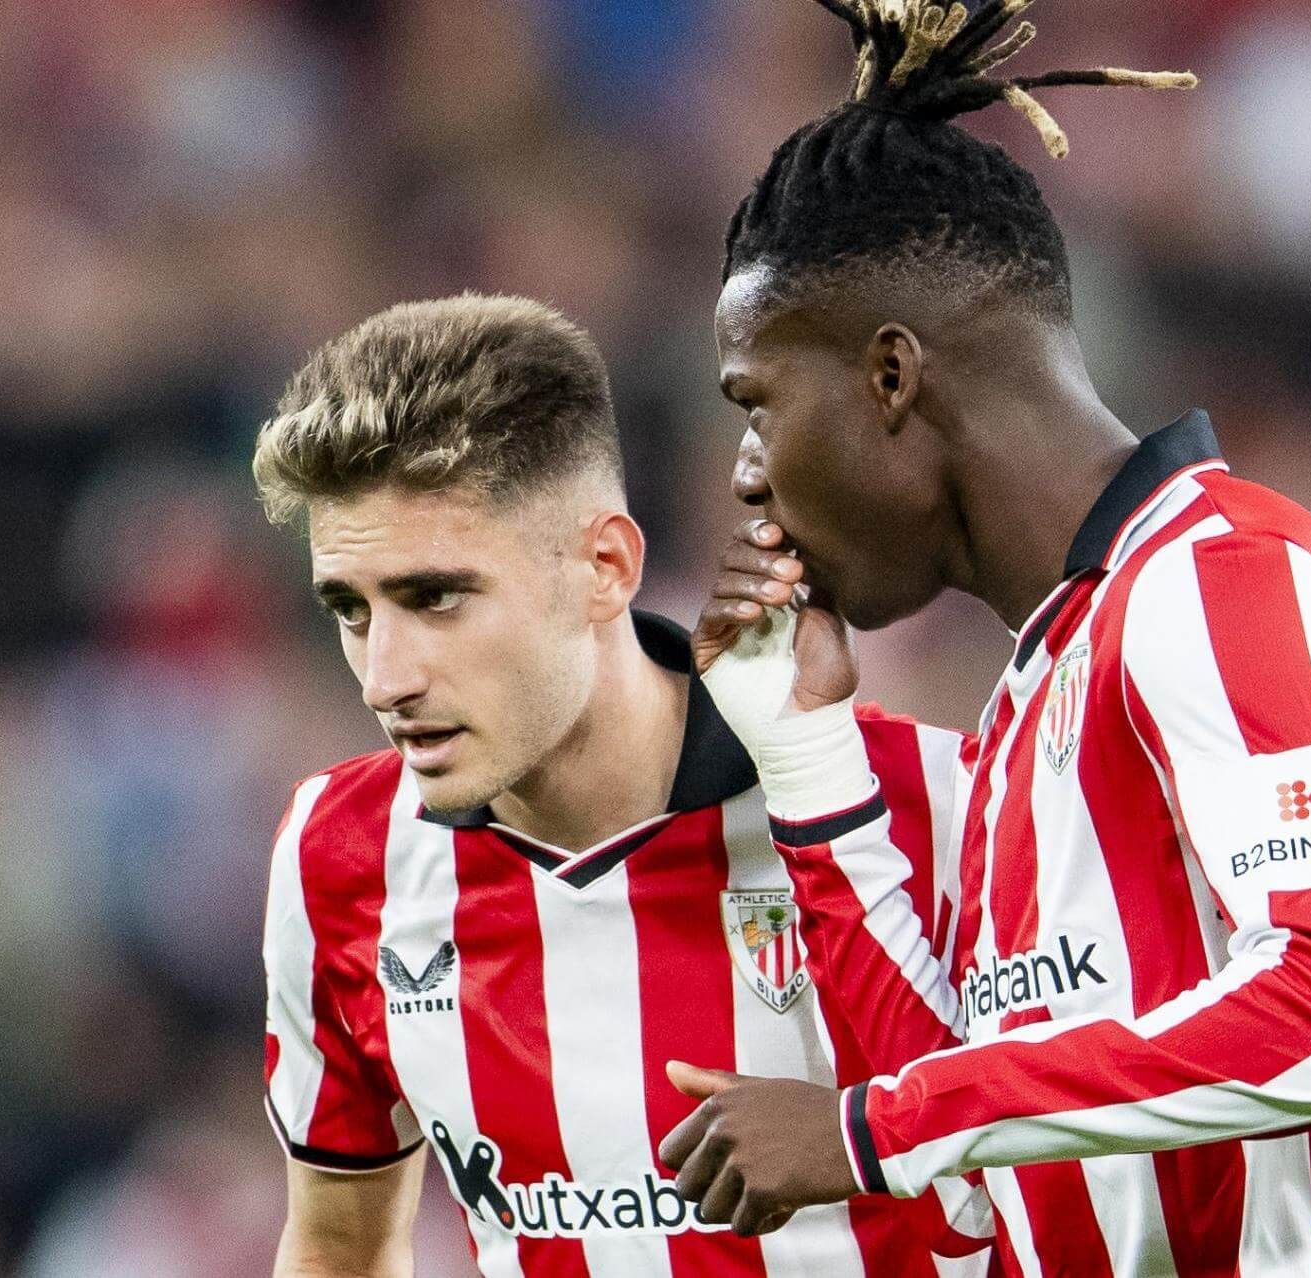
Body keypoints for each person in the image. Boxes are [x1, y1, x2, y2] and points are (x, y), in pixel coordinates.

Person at [658, 3, 1311, 1274]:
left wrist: (880, 1128)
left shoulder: (1224, 575)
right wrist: (812, 766)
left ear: (890, 376)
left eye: (756, 408)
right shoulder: (1025, 714)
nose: (749, 478)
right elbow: (963, 1193)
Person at [252, 294, 993, 1277]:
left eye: (436, 598)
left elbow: (1081, 1206)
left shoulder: (927, 807)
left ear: (604, 567)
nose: (385, 677)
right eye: (351, 610)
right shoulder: (338, 855)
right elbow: (338, 1249)